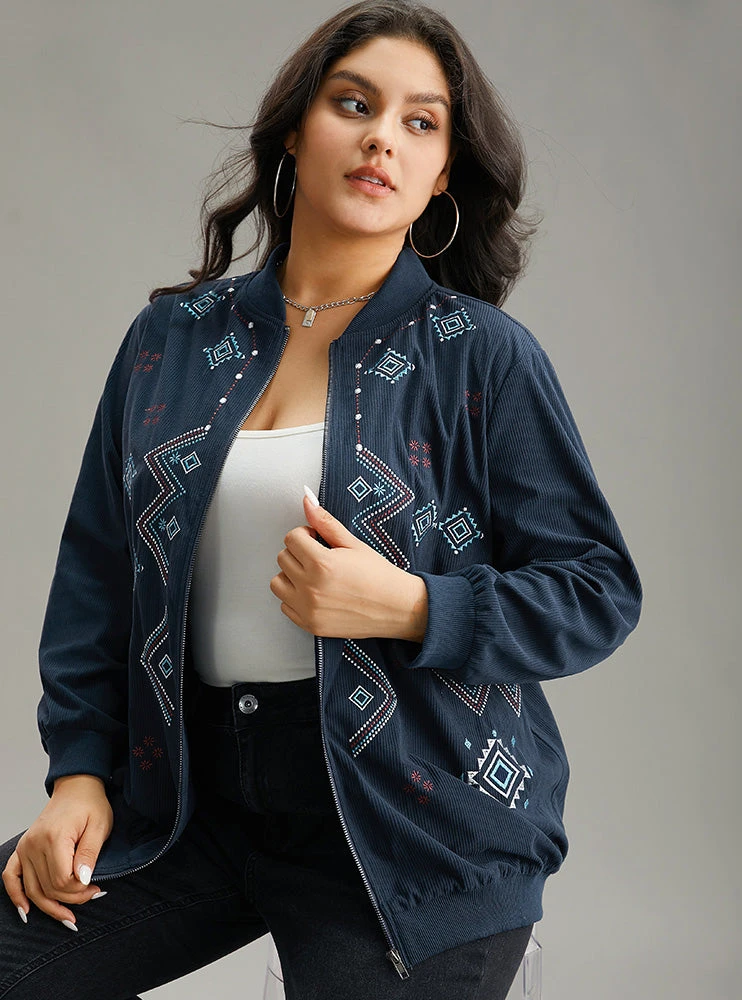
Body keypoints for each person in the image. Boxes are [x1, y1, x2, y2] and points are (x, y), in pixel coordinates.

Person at [0, 1, 642, 997]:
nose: (384, 136)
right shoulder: (171, 340)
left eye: (421, 122)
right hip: (190, 802)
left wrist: (412, 605)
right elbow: (97, 574)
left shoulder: (481, 357)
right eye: (354, 104)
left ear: (442, 173)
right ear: (297, 130)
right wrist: (79, 778)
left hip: (413, 825)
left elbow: (598, 589)